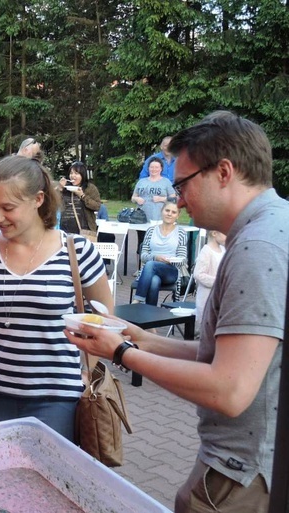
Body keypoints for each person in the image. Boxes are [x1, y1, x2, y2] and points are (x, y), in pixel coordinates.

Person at [66, 111, 287, 513]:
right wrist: (140, 337)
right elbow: (223, 354)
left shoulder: (258, 249)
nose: (177, 199)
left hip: (239, 476)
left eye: (182, 184)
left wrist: (120, 353)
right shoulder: (273, 227)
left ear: (224, 171)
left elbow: (229, 388)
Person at [0, 155, 112, 440]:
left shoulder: (76, 251)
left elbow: (105, 316)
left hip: (56, 398)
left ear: (38, 199)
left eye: (8, 208)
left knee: (49, 480)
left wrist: (91, 368)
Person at [132, 201, 189, 305]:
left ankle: (137, 300)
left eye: (173, 212)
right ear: (162, 211)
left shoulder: (181, 233)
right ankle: (150, 315)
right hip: (150, 271)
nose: (169, 214)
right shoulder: (151, 231)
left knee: (150, 264)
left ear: (177, 215)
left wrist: (171, 260)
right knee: (154, 280)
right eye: (167, 210)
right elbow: (143, 256)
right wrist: (156, 257)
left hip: (171, 271)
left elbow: (183, 259)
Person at [57, 161, 102, 237]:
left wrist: (82, 196)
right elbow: (53, 203)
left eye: (76, 173)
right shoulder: (66, 188)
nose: (73, 176)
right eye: (71, 173)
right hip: (65, 230)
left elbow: (97, 206)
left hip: (85, 230)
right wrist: (59, 189)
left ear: (82, 175)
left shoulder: (90, 188)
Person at [193, 230, 226, 321]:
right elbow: (198, 274)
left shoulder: (224, 250)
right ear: (214, 233)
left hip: (221, 297)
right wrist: (219, 282)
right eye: (225, 233)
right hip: (207, 298)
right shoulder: (206, 251)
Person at [131, 157, 177, 222]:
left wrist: (161, 199)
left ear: (161, 169)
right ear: (148, 168)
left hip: (160, 219)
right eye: (151, 167)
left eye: (156, 167)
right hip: (141, 219)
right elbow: (133, 198)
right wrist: (136, 199)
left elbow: (174, 199)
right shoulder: (141, 182)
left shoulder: (166, 182)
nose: (154, 169)